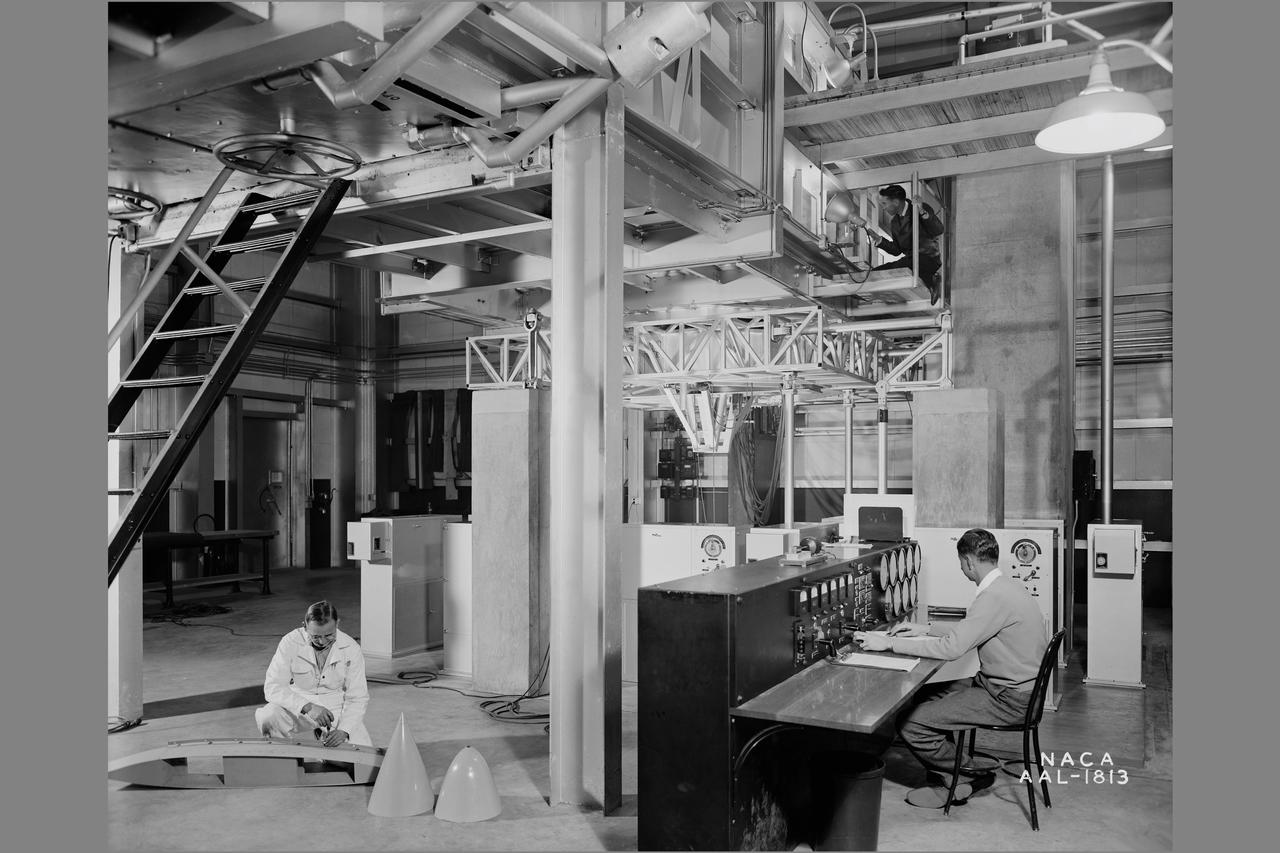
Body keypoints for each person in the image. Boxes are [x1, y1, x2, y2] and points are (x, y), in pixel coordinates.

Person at [854, 528, 1047, 809]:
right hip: (1007, 687)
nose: (961, 568)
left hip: (1008, 698)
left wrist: (888, 645)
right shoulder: (1006, 587)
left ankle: (967, 774)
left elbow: (952, 649)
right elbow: (973, 630)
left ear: (968, 561)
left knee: (911, 724)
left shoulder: (993, 597)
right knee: (921, 697)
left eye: (960, 562)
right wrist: (926, 628)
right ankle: (952, 773)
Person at [254, 600, 371, 748]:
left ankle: (323, 741)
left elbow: (358, 697)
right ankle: (284, 758)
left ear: (337, 624)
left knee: (359, 758)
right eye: (315, 636)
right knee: (268, 716)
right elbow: (273, 687)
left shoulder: (351, 648)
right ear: (305, 626)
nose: (322, 641)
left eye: (329, 635)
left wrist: (343, 730)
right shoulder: (290, 642)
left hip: (335, 706)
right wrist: (308, 706)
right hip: (300, 701)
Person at [850, 184, 945, 304]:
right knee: (878, 271)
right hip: (910, 260)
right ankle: (862, 291)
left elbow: (938, 230)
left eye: (884, 204)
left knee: (907, 264)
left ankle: (933, 279)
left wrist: (921, 211)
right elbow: (896, 250)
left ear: (895, 202)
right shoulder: (894, 222)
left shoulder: (918, 209)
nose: (883, 208)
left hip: (928, 258)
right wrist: (878, 239)